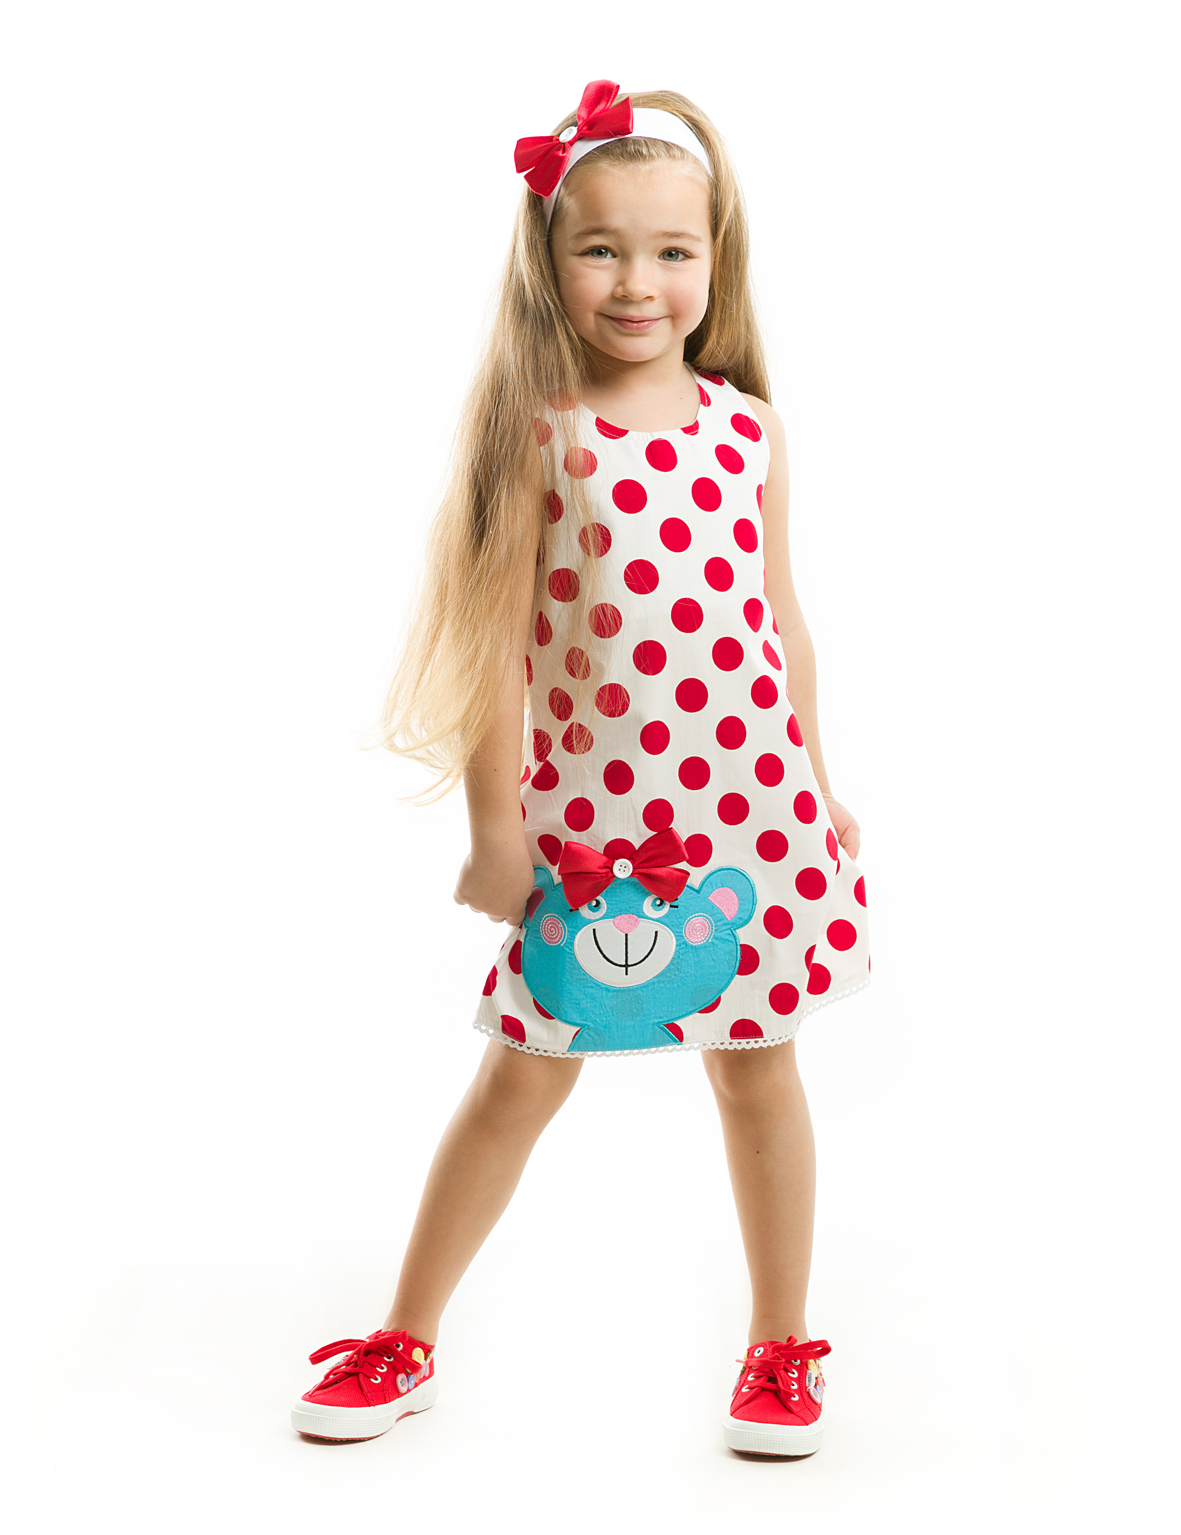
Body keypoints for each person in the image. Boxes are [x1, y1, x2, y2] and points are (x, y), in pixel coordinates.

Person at [290, 80, 870, 1458]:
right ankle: (405, 1336)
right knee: (520, 1075)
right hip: (596, 834)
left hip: (750, 819)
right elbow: (493, 646)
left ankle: (780, 1345)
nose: (637, 282)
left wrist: (818, 780)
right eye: (600, 247)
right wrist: (496, 830)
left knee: (758, 1072)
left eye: (672, 250)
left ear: (714, 261)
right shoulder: (540, 434)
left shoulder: (749, 430)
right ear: (548, 259)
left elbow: (779, 621)